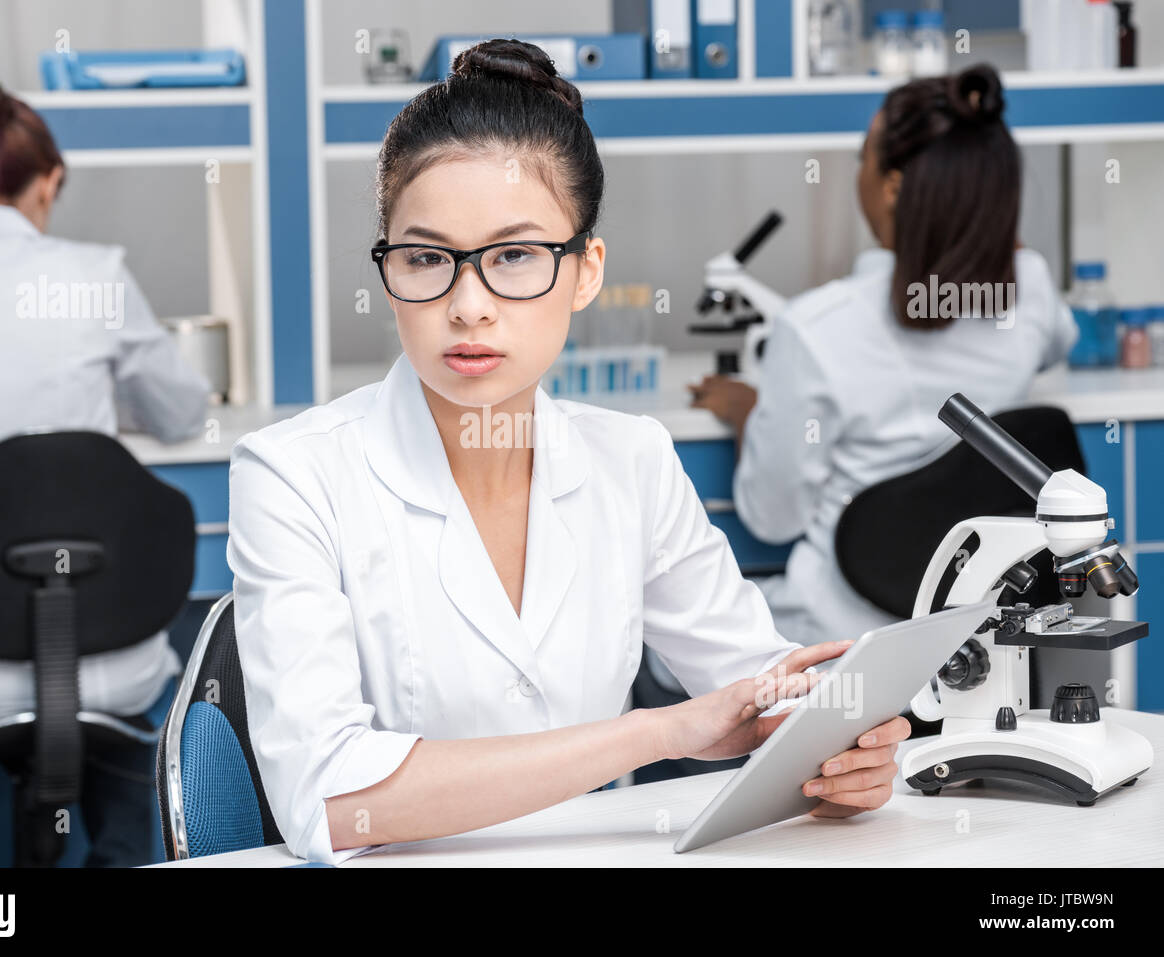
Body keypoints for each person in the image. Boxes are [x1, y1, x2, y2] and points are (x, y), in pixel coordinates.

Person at [227, 38, 910, 866]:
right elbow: (331, 799)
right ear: (388, 270)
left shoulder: (632, 459)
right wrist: (655, 732)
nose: (468, 305)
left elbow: (756, 686)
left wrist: (835, 745)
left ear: (585, 271)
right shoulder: (294, 475)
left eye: (514, 256)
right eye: (427, 258)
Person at [0, 64, 210, 866]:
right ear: (49, 184)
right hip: (104, 652)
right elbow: (185, 411)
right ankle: (122, 852)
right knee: (118, 706)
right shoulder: (96, 277)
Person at [689, 64, 1077, 648]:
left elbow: (773, 517)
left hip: (843, 647)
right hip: (979, 646)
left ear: (892, 185)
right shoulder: (1029, 286)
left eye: (863, 155)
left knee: (656, 657)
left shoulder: (817, 328)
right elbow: (1055, 345)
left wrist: (750, 412)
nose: (858, 172)